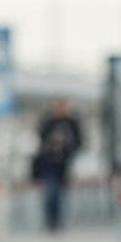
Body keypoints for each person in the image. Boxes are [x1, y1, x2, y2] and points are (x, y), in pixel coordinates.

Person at [32, 99, 83, 233]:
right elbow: (41, 137)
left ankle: (57, 220)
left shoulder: (71, 123)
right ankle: (51, 221)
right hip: (49, 165)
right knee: (51, 193)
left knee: (60, 194)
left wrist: (68, 150)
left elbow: (78, 142)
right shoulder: (49, 123)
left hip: (64, 165)